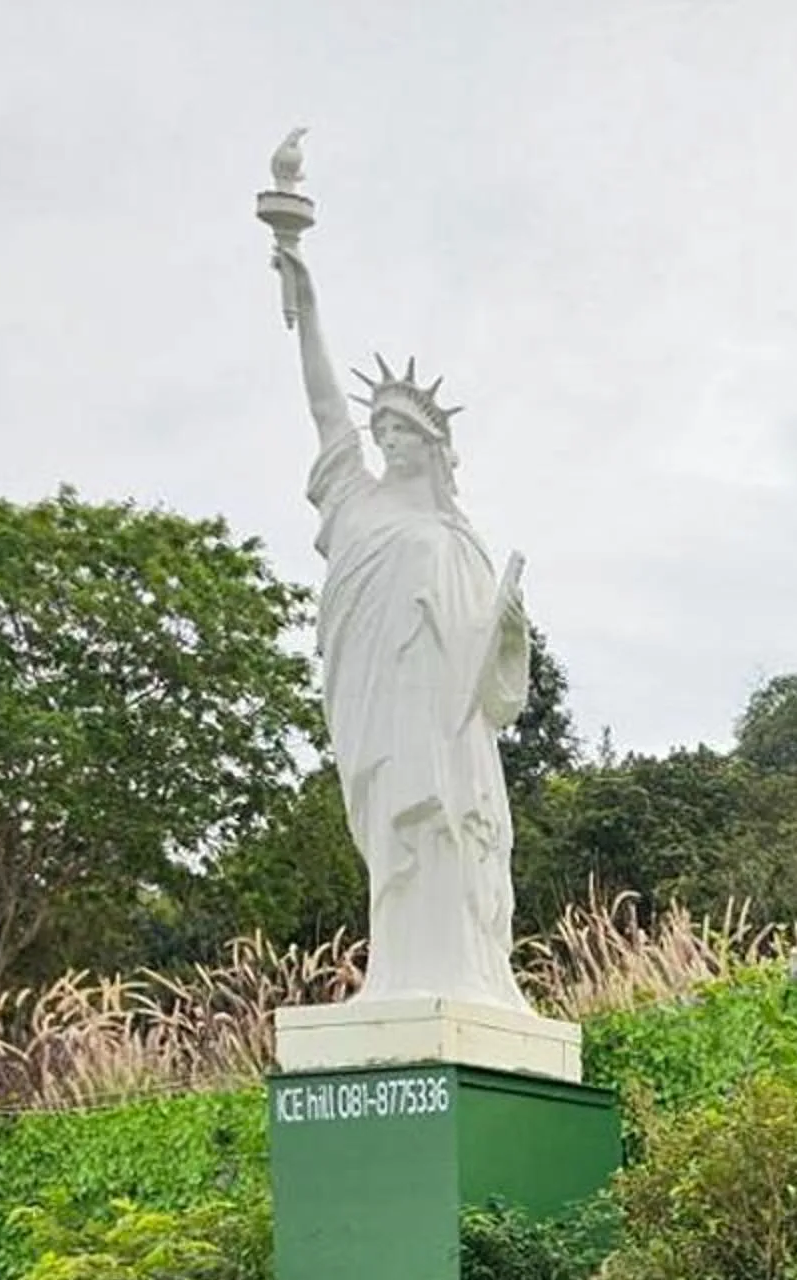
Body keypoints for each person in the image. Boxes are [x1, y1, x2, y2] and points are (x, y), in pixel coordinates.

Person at [274, 240, 530, 1008]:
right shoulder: (354, 500)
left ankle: (466, 976)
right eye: (380, 427)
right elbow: (324, 407)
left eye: (402, 431)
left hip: (448, 723)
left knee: (452, 828)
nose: (387, 440)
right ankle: (398, 977)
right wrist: (306, 300)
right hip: (376, 706)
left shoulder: (460, 541)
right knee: (394, 835)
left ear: (435, 447)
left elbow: (496, 682)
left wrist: (509, 631)